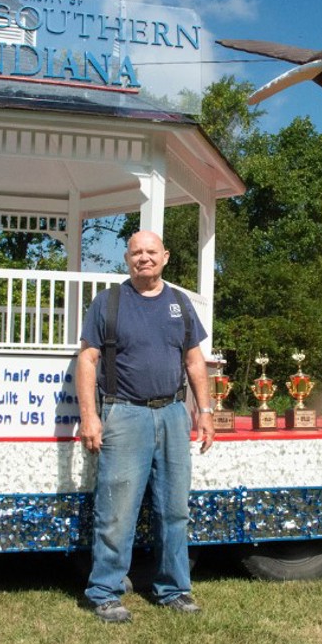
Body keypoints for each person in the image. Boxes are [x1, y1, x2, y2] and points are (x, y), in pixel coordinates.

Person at [76, 230, 215, 623]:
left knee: (174, 509)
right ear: (127, 258)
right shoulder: (108, 302)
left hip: (173, 414)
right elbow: (87, 361)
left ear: (165, 257)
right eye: (137, 252)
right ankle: (105, 591)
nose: (144, 258)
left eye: (151, 252)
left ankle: (174, 589)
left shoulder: (179, 303)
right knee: (116, 510)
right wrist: (90, 416)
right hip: (124, 414)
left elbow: (193, 361)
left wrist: (204, 411)